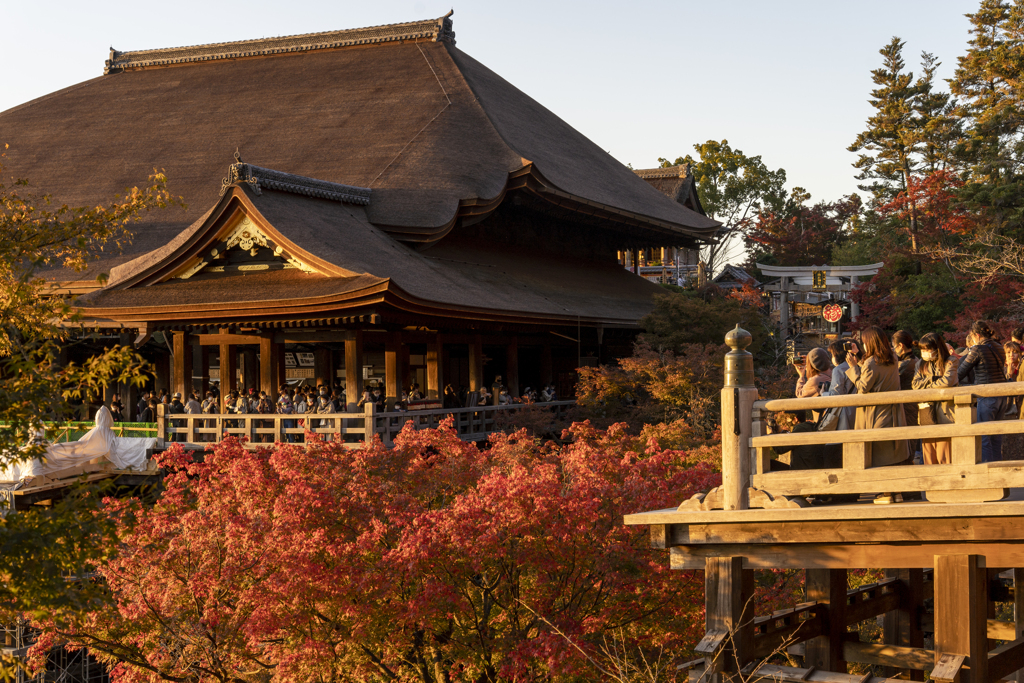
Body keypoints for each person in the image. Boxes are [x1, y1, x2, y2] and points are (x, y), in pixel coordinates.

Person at [845, 326, 909, 504]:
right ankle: (896, 492)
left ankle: (886, 493)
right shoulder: (892, 358)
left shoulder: (871, 362)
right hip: (893, 410)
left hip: (875, 411)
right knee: (892, 450)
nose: (864, 346)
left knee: (880, 450)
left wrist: (853, 368)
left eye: (865, 342)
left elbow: (862, 388)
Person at [958, 320, 1007, 462]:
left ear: (976, 335)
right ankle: (998, 473)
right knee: (996, 437)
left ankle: (988, 474)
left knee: (984, 437)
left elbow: (961, 372)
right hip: (1002, 395)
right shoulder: (999, 346)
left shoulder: (978, 349)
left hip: (986, 396)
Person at [913, 332, 958, 465]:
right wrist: (933, 379)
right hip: (926, 411)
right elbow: (915, 385)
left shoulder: (951, 361)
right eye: (922, 349)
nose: (924, 352)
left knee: (944, 455)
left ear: (937, 348)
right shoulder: (920, 364)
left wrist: (926, 384)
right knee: (928, 455)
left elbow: (947, 381)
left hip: (946, 413)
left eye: (927, 349)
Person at [892, 330, 920, 460]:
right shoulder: (916, 360)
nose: (893, 349)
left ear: (901, 346)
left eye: (894, 346)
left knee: (906, 443)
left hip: (907, 406)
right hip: (912, 405)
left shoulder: (905, 364)